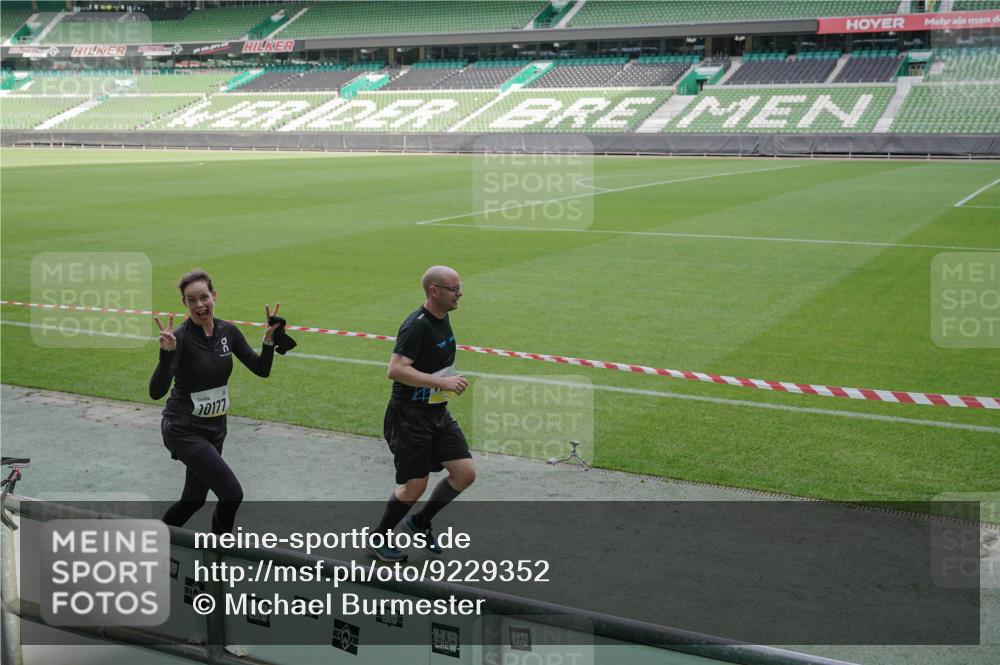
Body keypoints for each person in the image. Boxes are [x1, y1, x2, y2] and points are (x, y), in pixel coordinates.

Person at [149, 269, 282, 535]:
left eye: (204, 297)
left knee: (193, 500)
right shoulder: (180, 339)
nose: (199, 305)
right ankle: (216, 553)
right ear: (185, 303)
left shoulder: (227, 331)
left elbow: (261, 369)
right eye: (192, 300)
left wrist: (268, 341)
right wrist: (167, 355)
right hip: (183, 428)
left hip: (215, 429)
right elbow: (156, 392)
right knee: (232, 494)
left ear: (214, 296)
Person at [369, 266, 476, 563]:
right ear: (434, 291)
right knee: (415, 485)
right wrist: (443, 383)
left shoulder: (442, 317)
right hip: (409, 418)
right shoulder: (415, 326)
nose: (460, 293)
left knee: (465, 473)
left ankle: (419, 522)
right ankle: (378, 538)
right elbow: (396, 369)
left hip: (437, 413)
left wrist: (443, 383)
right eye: (454, 289)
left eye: (460, 287)